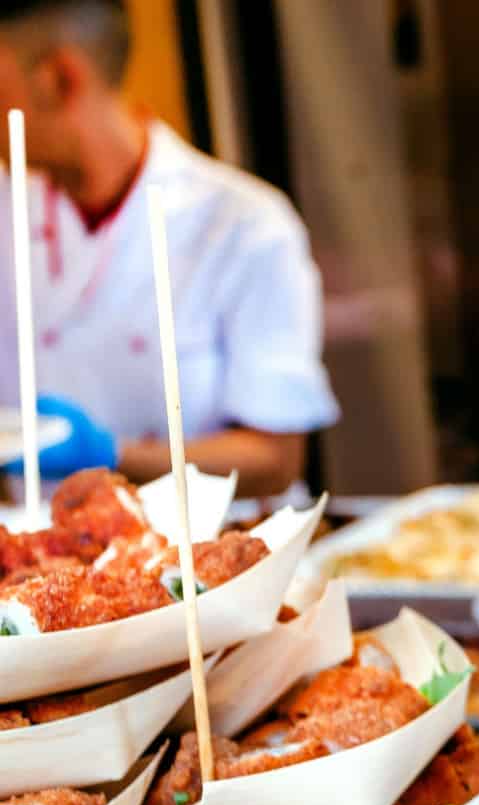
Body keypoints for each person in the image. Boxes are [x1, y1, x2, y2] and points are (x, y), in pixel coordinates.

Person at [0, 0, 346, 805]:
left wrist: (123, 452)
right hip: (52, 648)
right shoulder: (4, 217)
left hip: (220, 627)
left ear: (53, 74)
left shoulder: (237, 222)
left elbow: (277, 437)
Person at [0, 0, 334, 498]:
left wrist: (111, 455)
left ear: (57, 78)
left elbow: (275, 458)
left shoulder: (243, 224)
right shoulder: (9, 208)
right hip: (48, 556)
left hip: (221, 551)